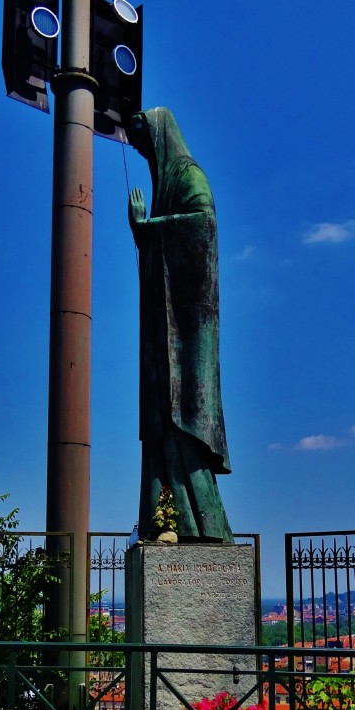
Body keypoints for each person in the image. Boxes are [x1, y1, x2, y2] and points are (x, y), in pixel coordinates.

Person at [127, 107, 233, 542]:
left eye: (143, 144)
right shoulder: (163, 186)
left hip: (187, 332)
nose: (141, 153)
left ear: (159, 138)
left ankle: (203, 524)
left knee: (184, 412)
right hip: (162, 329)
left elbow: (203, 226)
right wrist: (143, 233)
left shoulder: (188, 175)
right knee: (161, 419)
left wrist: (148, 228)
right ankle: (170, 520)